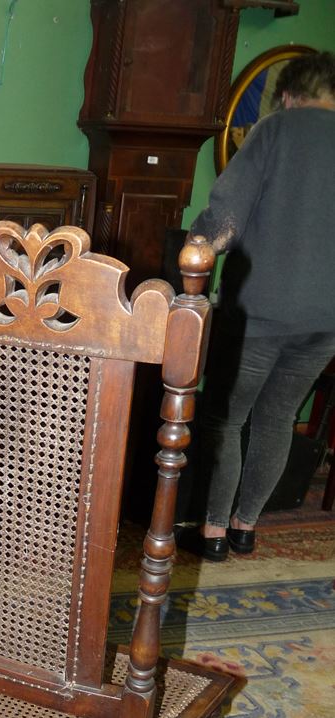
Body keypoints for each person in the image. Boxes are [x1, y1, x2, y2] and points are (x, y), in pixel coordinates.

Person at [178, 49, 335, 561]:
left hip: (259, 315)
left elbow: (224, 219)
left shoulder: (274, 131)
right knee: (278, 418)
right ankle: (246, 528)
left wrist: (194, 257)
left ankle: (213, 534)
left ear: (288, 94)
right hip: (326, 322)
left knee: (225, 419)